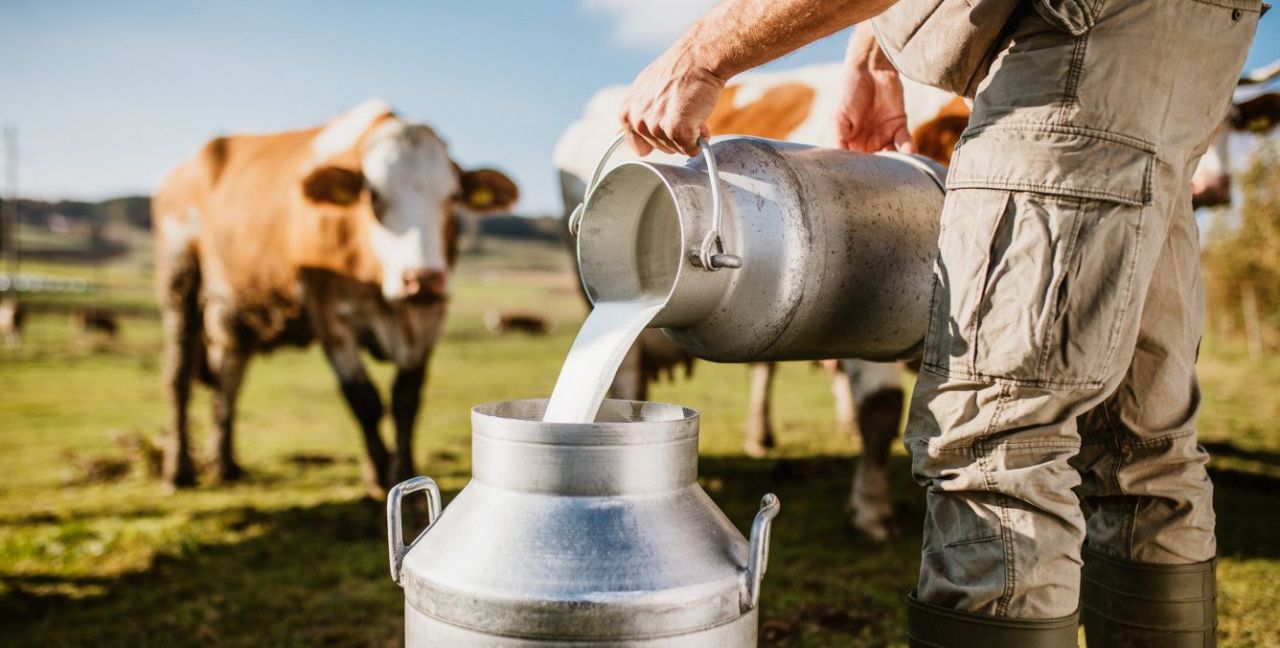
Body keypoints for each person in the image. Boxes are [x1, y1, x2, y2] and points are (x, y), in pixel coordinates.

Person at [616, 0, 1262, 646]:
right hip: (1180, 41)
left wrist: (701, 53)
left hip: (1070, 42)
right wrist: (873, 54)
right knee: (1137, 444)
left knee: (996, 443)